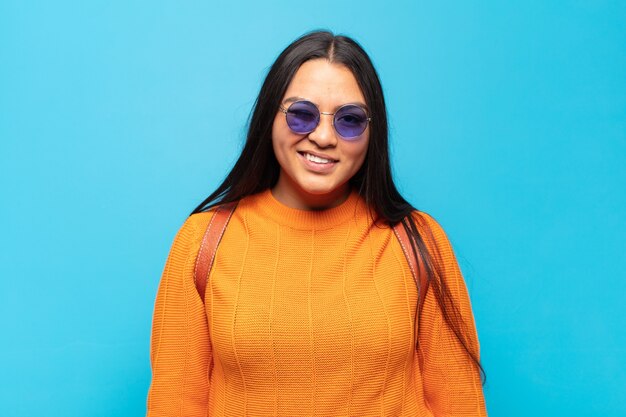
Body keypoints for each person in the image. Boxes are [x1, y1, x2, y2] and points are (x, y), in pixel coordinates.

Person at [146, 30, 487, 416]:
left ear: (372, 132)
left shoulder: (417, 240)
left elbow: (460, 403)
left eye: (350, 120)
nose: (323, 136)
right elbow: (174, 404)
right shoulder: (202, 241)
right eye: (302, 114)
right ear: (269, 117)